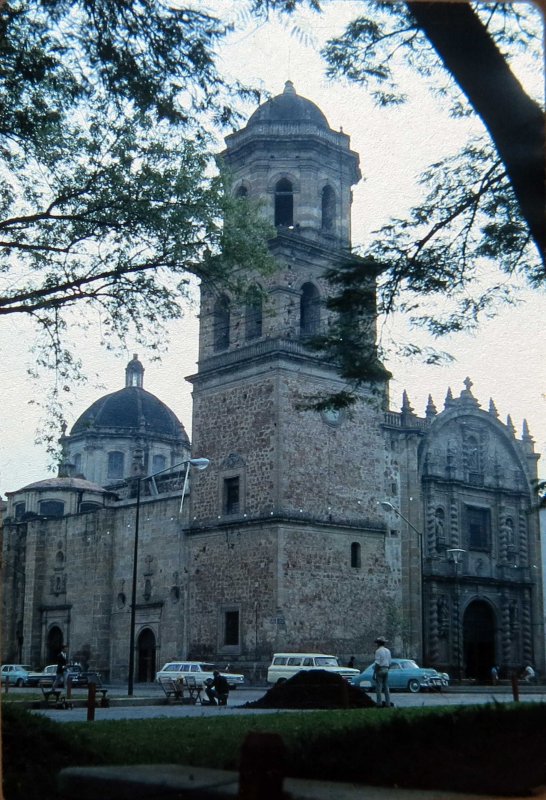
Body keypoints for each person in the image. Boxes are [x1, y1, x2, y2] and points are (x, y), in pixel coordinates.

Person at [373, 636, 392, 707]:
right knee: (386, 687)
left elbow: (377, 663)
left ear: (378, 643)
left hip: (380, 669)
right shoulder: (388, 651)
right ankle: (388, 703)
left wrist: (374, 672)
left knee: (379, 687)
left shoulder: (378, 651)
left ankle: (379, 703)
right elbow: (390, 662)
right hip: (386, 669)